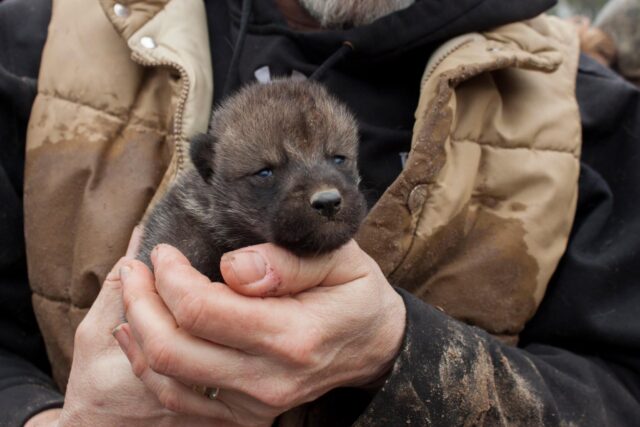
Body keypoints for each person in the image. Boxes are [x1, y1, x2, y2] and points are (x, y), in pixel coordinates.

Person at [1, 0, 639, 426]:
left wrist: (402, 352)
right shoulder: (32, 45)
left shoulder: (595, 117)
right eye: (266, 175)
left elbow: (621, 394)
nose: (324, 190)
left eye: (339, 160)